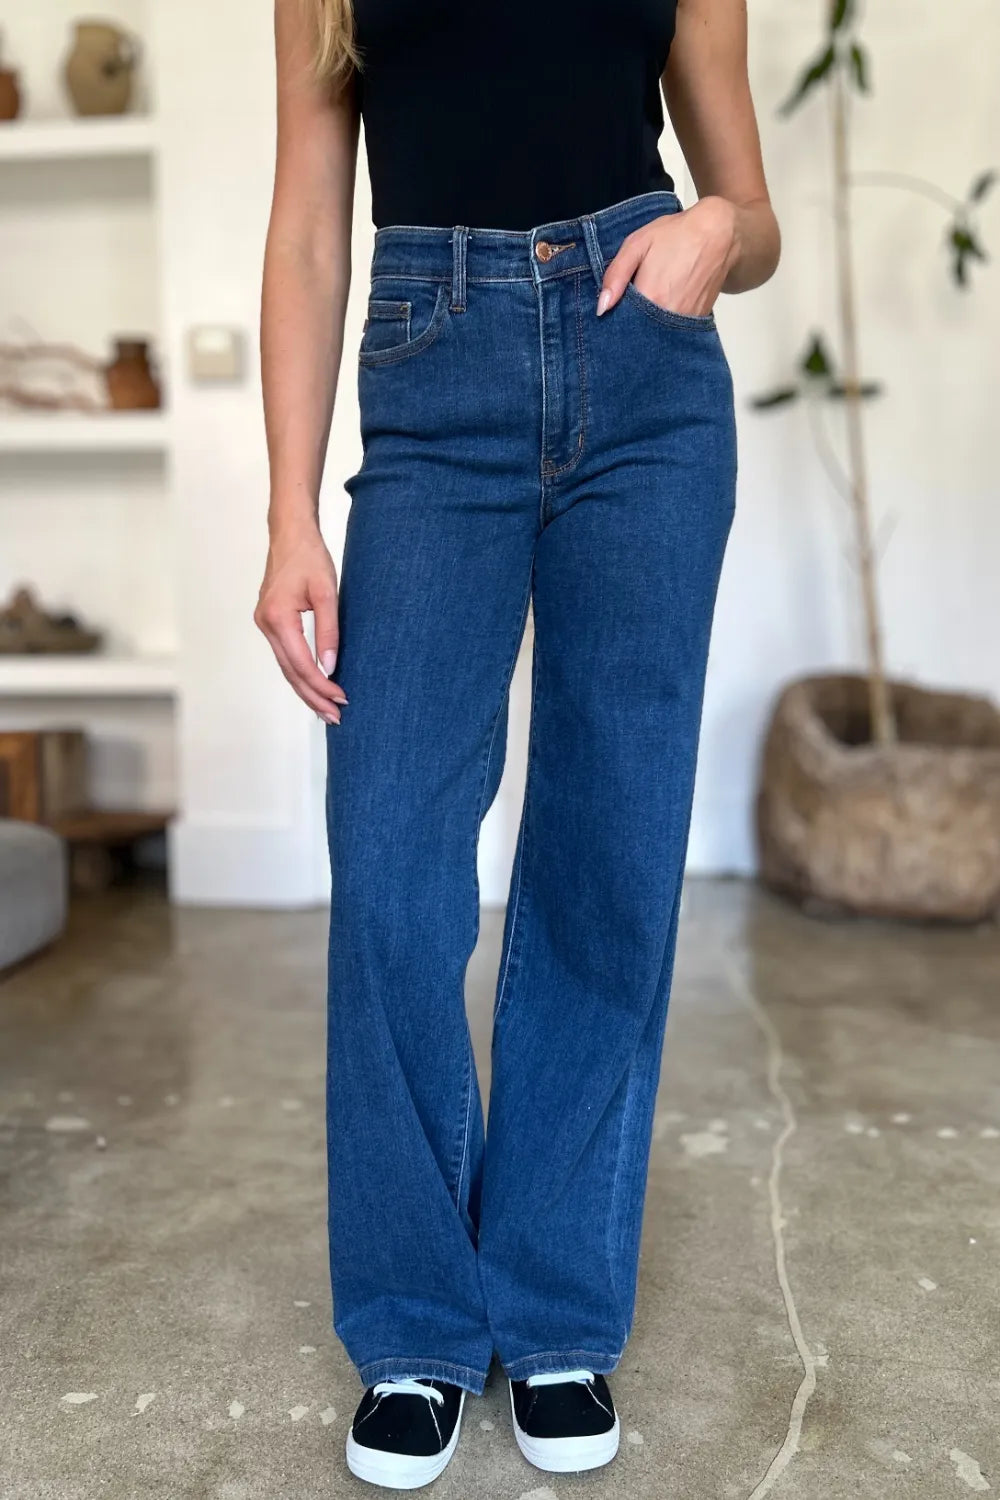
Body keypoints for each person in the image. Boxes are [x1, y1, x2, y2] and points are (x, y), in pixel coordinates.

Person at [257, 0, 780, 1487]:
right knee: (394, 857)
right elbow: (309, 227)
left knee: (609, 848)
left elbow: (760, 216)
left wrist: (717, 229)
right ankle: (418, 1323)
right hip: (433, 367)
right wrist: (292, 512)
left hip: (647, 379)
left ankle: (554, 1308)